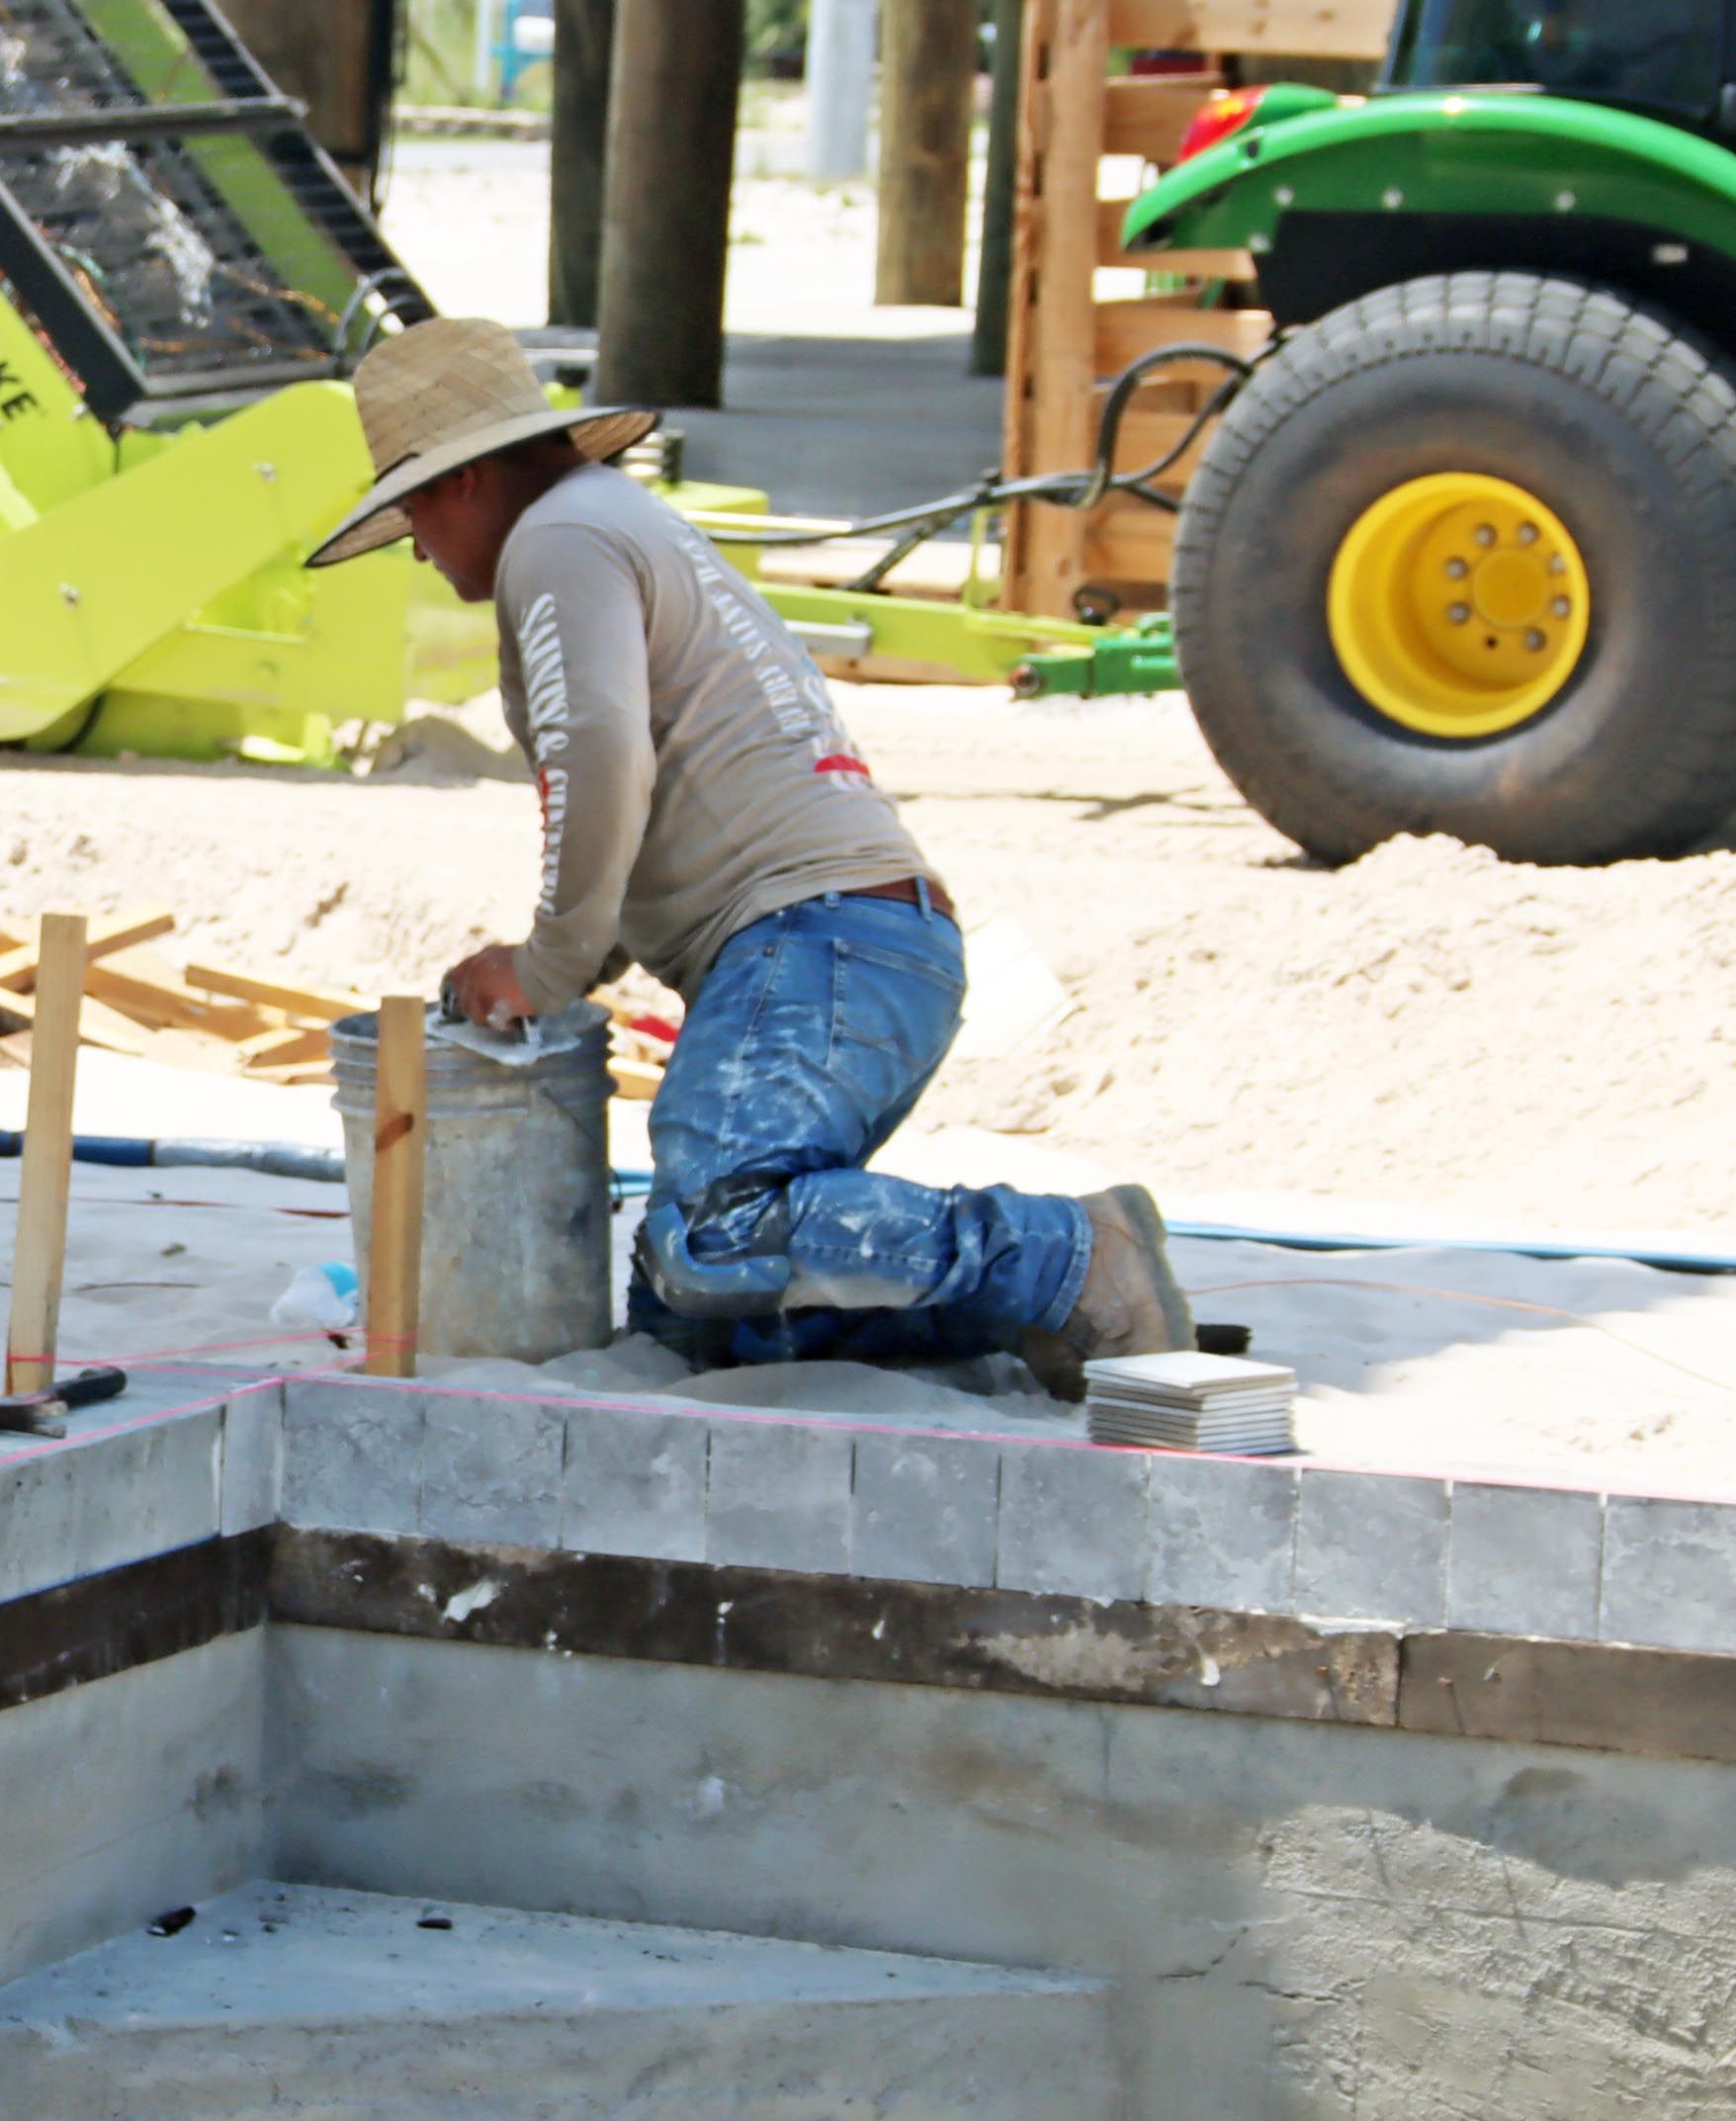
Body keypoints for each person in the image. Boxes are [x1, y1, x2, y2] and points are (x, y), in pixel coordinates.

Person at [307, 315, 1194, 1386]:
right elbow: (662, 782)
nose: (411, 535)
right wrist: (583, 959)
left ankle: (1066, 1257)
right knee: (702, 1322)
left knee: (717, 1228)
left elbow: (600, 747)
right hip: (860, 944)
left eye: (409, 503)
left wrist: (545, 965)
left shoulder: (555, 540)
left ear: (460, 480)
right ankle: (1039, 1315)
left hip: (816, 940)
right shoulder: (609, 521)